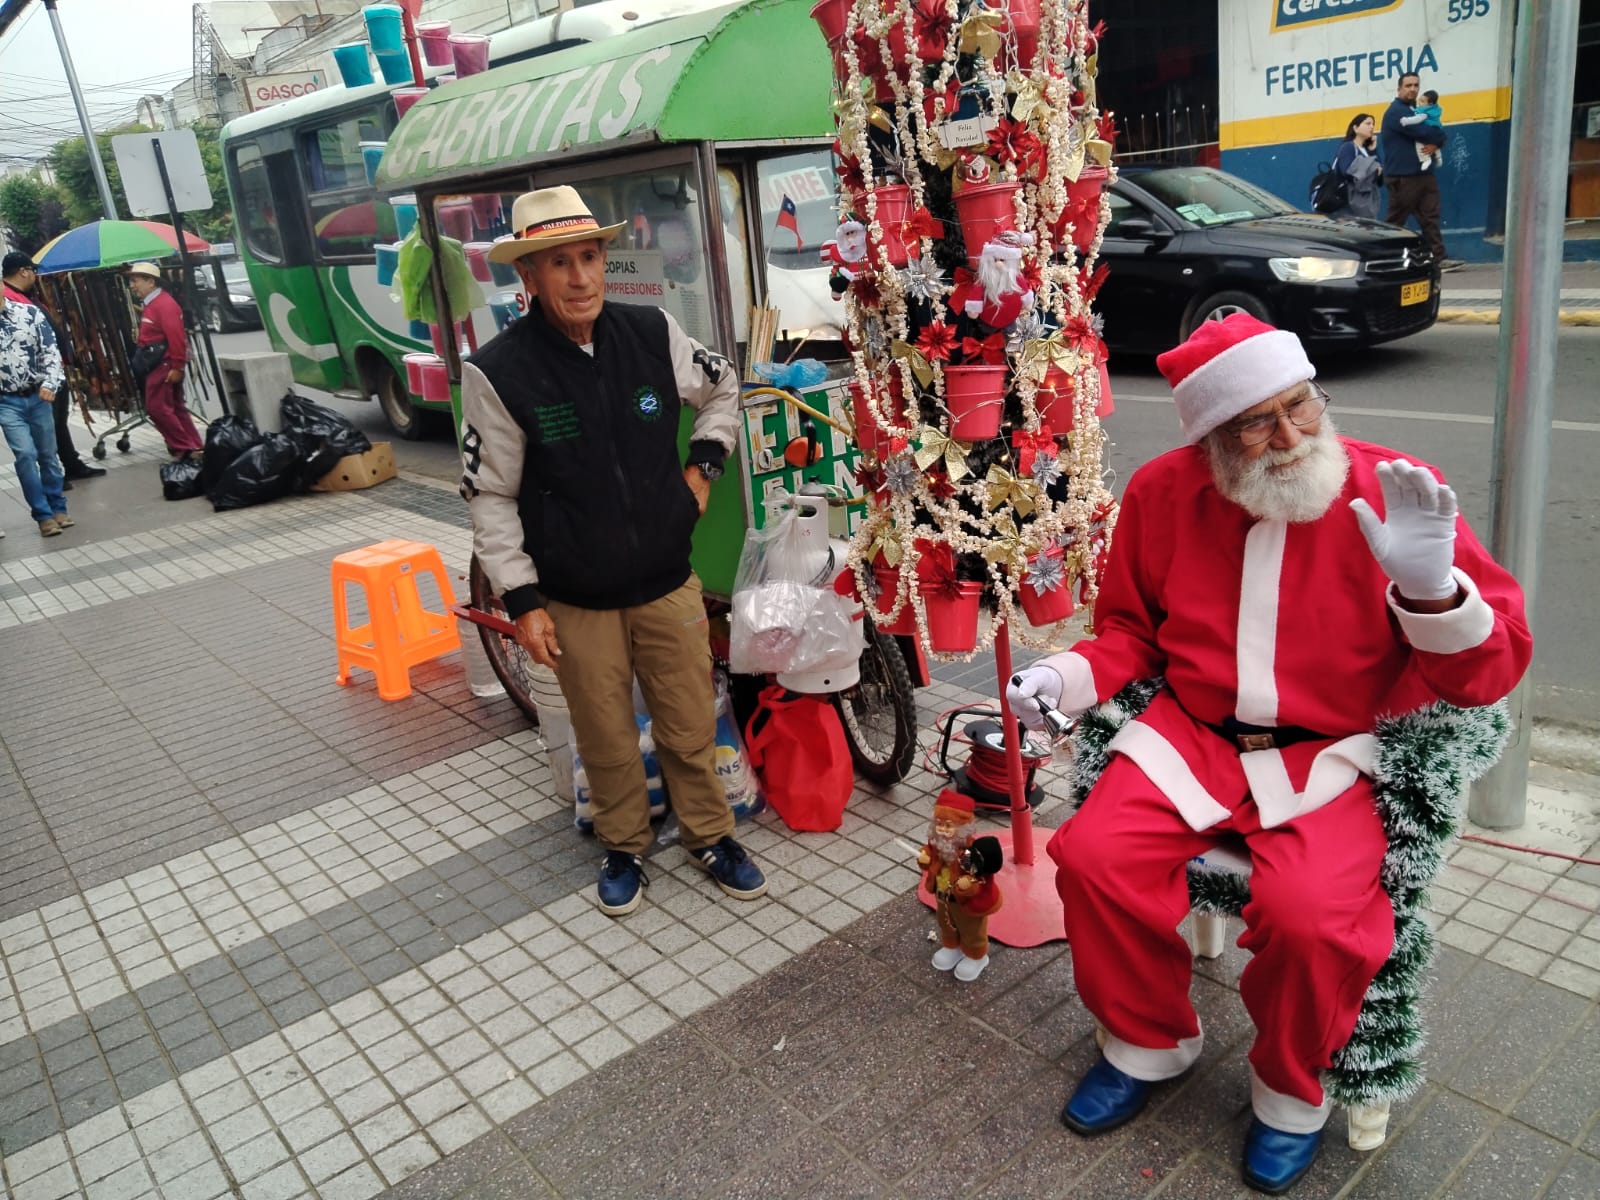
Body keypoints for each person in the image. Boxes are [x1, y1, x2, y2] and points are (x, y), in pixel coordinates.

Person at [1007, 314, 1530, 1193]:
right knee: (1093, 859)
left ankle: (1291, 1094)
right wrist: (1066, 676)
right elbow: (1130, 631)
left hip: (1330, 756)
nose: (1290, 437)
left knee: (1316, 918)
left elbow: (1490, 672)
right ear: (1214, 436)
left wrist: (1433, 592)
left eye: (1301, 406)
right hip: (1193, 737)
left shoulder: (1398, 492)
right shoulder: (1164, 494)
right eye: (1257, 422)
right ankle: (1147, 1044)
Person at [458, 185, 767, 917]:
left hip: (666, 581)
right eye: (557, 263)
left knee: (690, 722)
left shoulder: (651, 331)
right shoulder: (498, 371)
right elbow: (490, 496)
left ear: (606, 260)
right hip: (576, 597)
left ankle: (709, 835)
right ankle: (625, 844)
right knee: (604, 735)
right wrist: (522, 599)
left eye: (590, 257)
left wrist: (705, 467)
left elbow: (725, 391)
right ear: (527, 278)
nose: (580, 277)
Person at [2, 253, 106, 484]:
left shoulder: (25, 296)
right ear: (23, 271)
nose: (36, 276)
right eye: (34, 271)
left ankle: (71, 463)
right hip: (38, 376)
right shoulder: (11, 298)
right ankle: (55, 476)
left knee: (58, 420)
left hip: (51, 370)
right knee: (48, 426)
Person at [0, 283, 73, 536]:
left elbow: (51, 353)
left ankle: (58, 506)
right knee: (25, 455)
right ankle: (43, 515)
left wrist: (51, 383)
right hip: (6, 401)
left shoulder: (29, 314)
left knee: (48, 455)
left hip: (38, 396)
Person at [917, 791, 1003, 982]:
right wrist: (924, 858)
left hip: (966, 902)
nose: (942, 830)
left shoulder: (973, 850)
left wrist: (969, 885)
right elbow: (928, 853)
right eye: (939, 824)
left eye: (949, 826)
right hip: (942, 895)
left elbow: (981, 877)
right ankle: (952, 946)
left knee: (972, 929)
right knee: (945, 922)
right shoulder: (937, 844)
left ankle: (976, 956)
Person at [1379, 73, 1462, 270]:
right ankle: (1382, 258)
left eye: (1416, 85)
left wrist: (1436, 142)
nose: (1413, 89)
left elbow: (1439, 132)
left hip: (1424, 175)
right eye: (1408, 85)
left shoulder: (1418, 110)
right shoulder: (1396, 112)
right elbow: (1424, 132)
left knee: (1430, 217)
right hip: (1403, 177)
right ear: (1399, 89)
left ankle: (1439, 258)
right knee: (1395, 222)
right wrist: (1436, 139)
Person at [126, 262, 203, 458]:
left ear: (150, 281)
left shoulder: (163, 304)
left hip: (164, 364)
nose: (132, 286)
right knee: (175, 407)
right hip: (163, 363)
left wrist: (178, 366)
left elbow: (176, 337)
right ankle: (195, 446)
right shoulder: (153, 304)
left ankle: (184, 447)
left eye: (135, 281)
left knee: (157, 408)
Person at [1331, 113, 1383, 220]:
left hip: (1366, 203)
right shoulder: (1348, 147)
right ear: (1355, 128)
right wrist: (1373, 172)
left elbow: (1380, 178)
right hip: (1349, 203)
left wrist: (1373, 151)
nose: (1372, 127)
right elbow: (1348, 172)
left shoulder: (1368, 150)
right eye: (1368, 123)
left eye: (1373, 124)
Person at [1401, 90, 1445, 171]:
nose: (1419, 103)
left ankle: (1426, 159)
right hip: (1437, 130)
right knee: (1434, 144)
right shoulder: (1435, 109)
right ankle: (1439, 158)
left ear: (1430, 103)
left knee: (1419, 143)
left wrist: (1406, 121)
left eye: (1422, 101)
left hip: (1429, 131)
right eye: (1420, 99)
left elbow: (1417, 119)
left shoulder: (1424, 112)